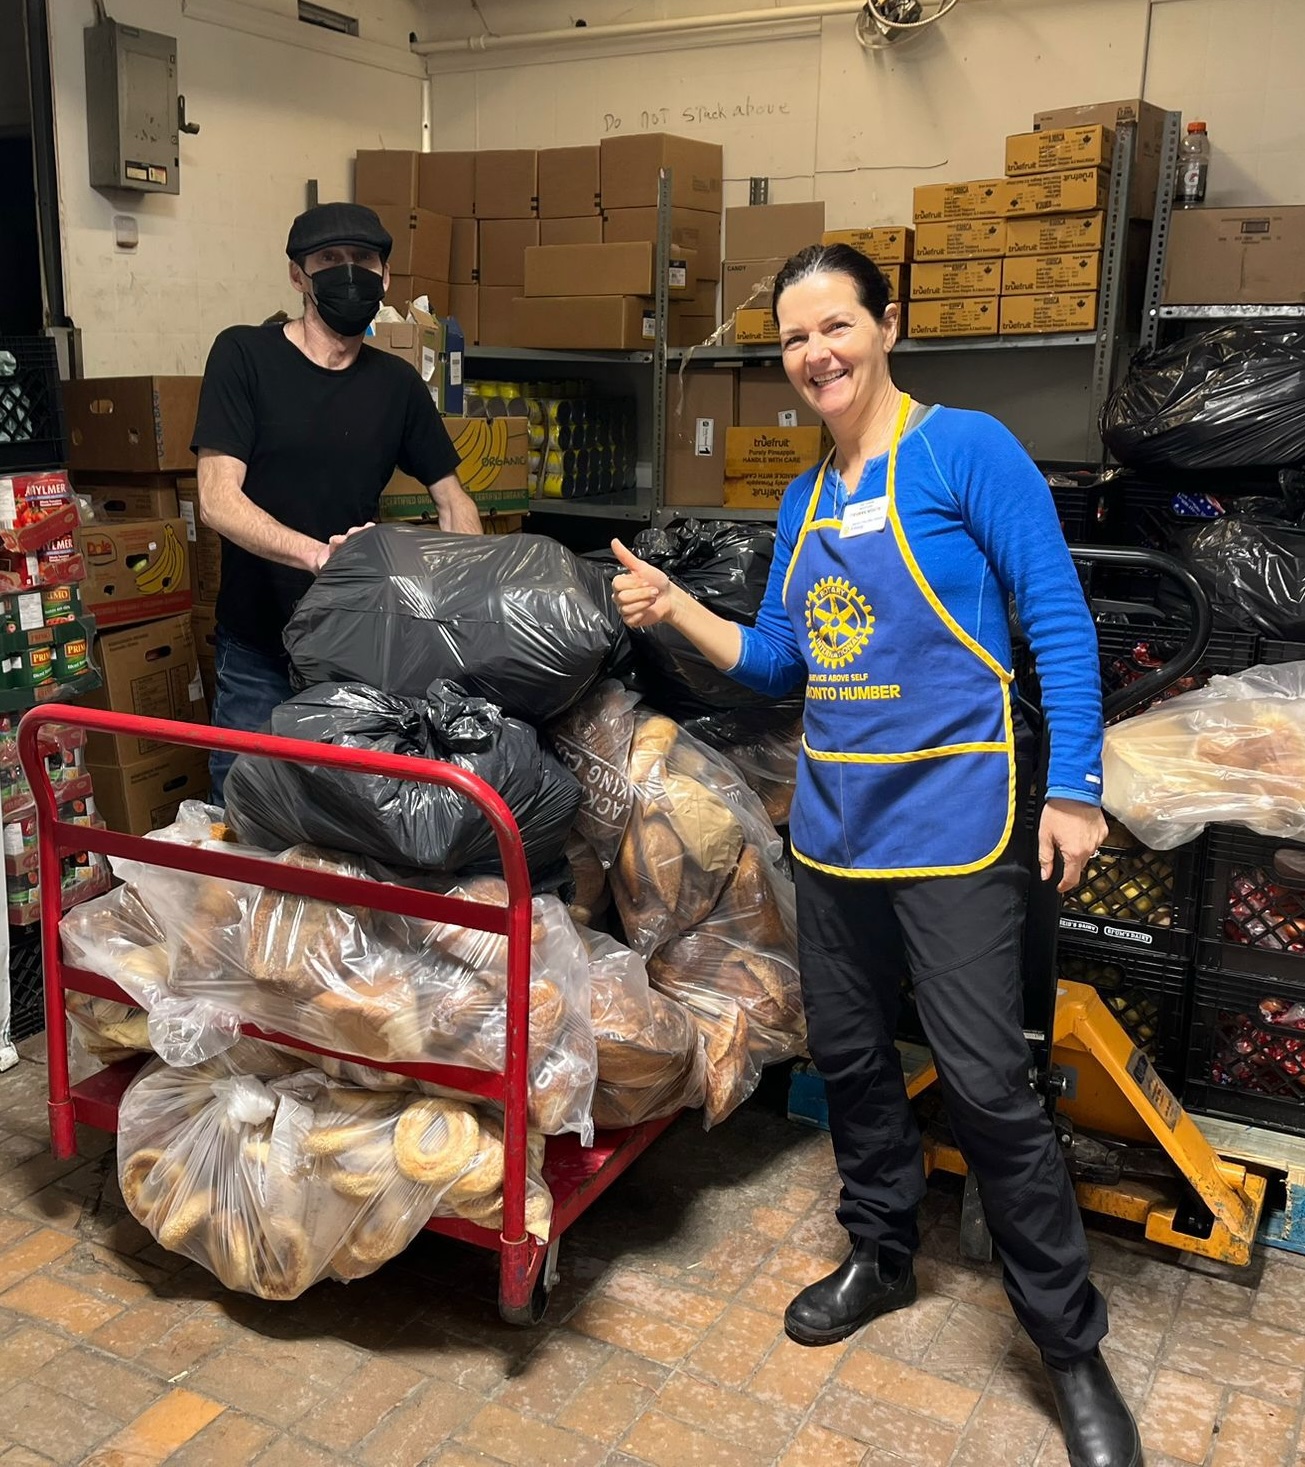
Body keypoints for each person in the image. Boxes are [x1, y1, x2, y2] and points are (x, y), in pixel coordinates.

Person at [611, 243, 1140, 1467]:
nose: (816, 356)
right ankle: (881, 1255)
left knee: (988, 1091)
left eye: (836, 326)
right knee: (849, 1062)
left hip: (959, 827)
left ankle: (1071, 1350)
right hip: (837, 835)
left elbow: (1058, 616)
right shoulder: (803, 501)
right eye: (795, 340)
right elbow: (786, 667)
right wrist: (675, 611)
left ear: (886, 325)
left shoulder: (968, 452)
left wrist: (1074, 787)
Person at [191, 201, 482, 799]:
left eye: (364, 260)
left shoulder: (395, 384)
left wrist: (464, 599)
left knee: (349, 817)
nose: (348, 273)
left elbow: (455, 502)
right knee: (244, 814)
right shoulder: (244, 356)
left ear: (385, 278)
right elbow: (217, 500)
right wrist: (322, 557)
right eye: (329, 260)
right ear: (298, 275)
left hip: (354, 649)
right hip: (258, 649)